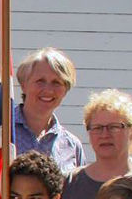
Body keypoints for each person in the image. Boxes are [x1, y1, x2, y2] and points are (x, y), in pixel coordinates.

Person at [13, 47, 88, 175]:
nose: (48, 90)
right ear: (23, 85)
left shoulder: (72, 145)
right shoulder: (0, 133)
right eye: (40, 81)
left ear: (65, 90)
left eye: (56, 82)